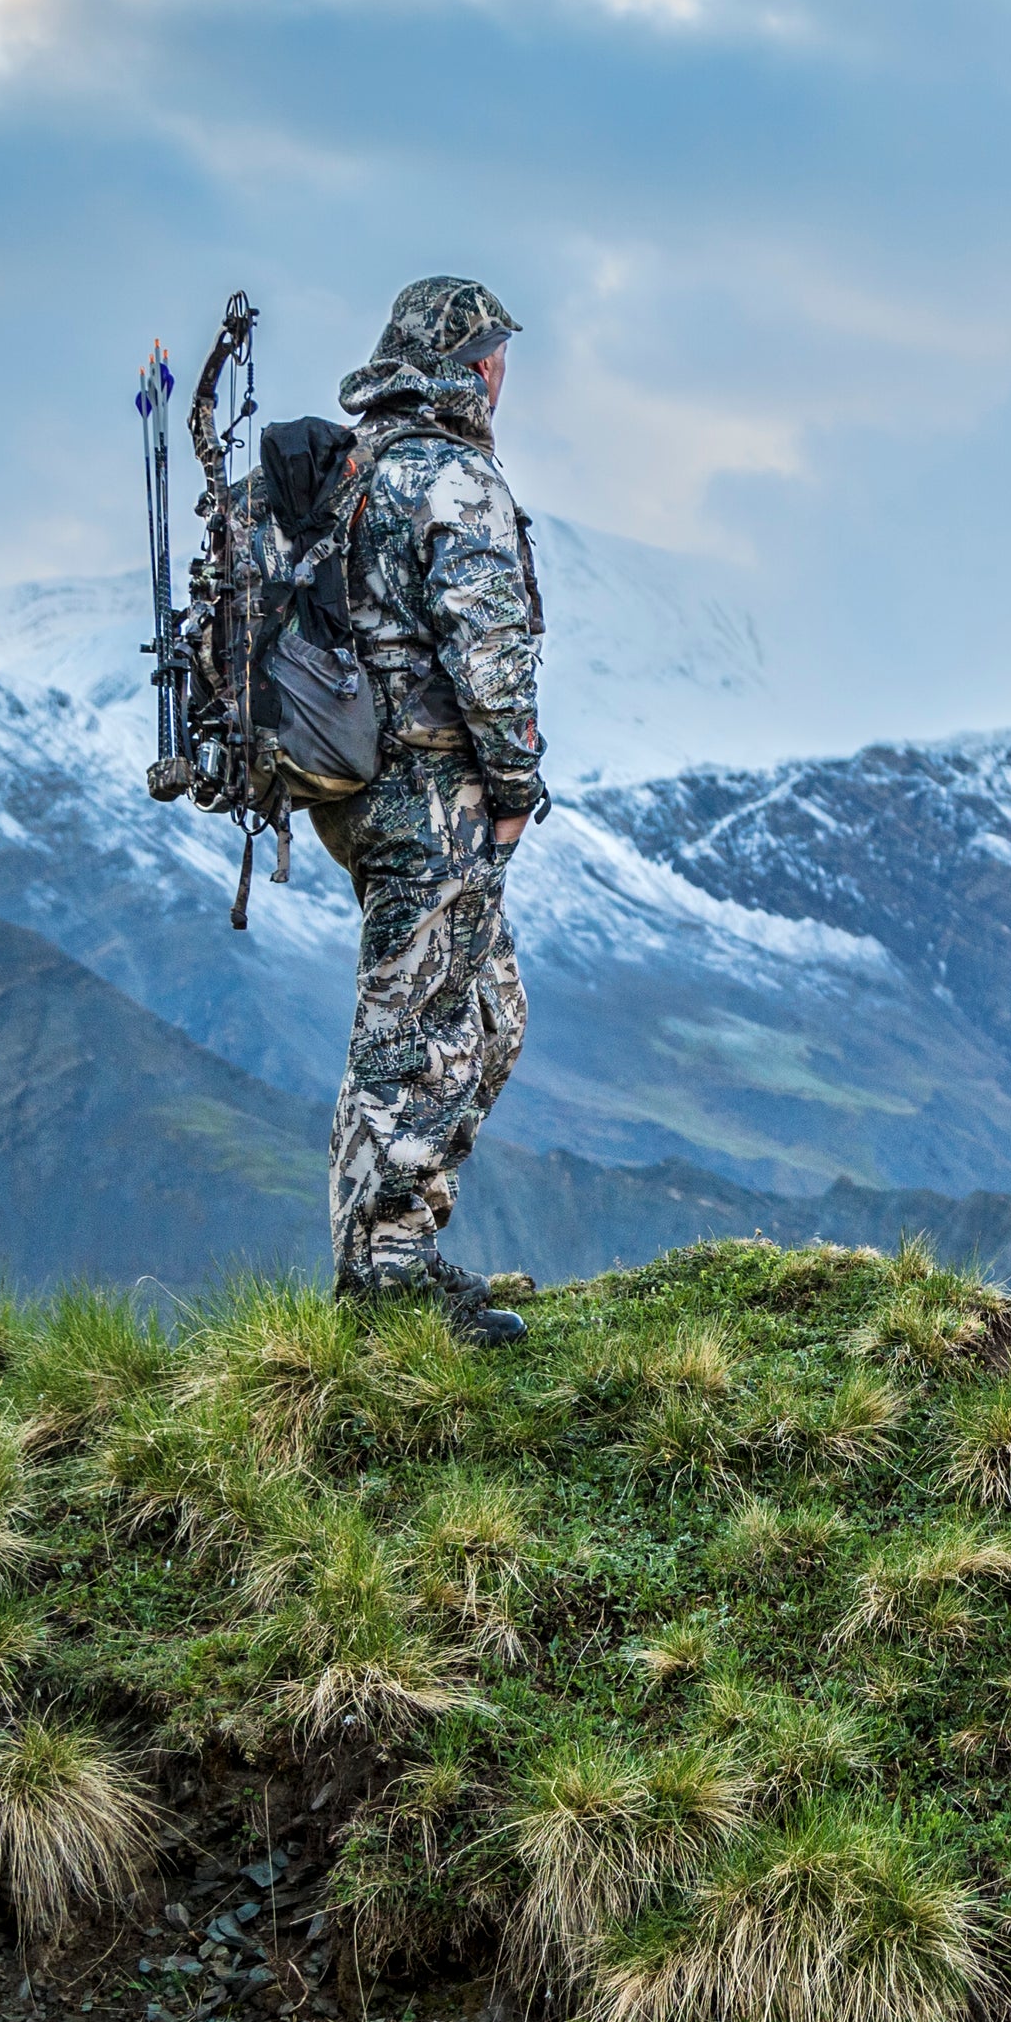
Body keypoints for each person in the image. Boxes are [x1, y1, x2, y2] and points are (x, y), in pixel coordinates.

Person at [313, 275, 547, 1346]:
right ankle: (387, 1286)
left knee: (486, 1016)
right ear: (471, 364)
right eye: (496, 355)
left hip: (360, 786)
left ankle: (400, 1249)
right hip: (429, 792)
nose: (503, 375)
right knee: (415, 1032)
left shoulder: (355, 473)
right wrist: (511, 792)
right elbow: (488, 656)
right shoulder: (452, 480)